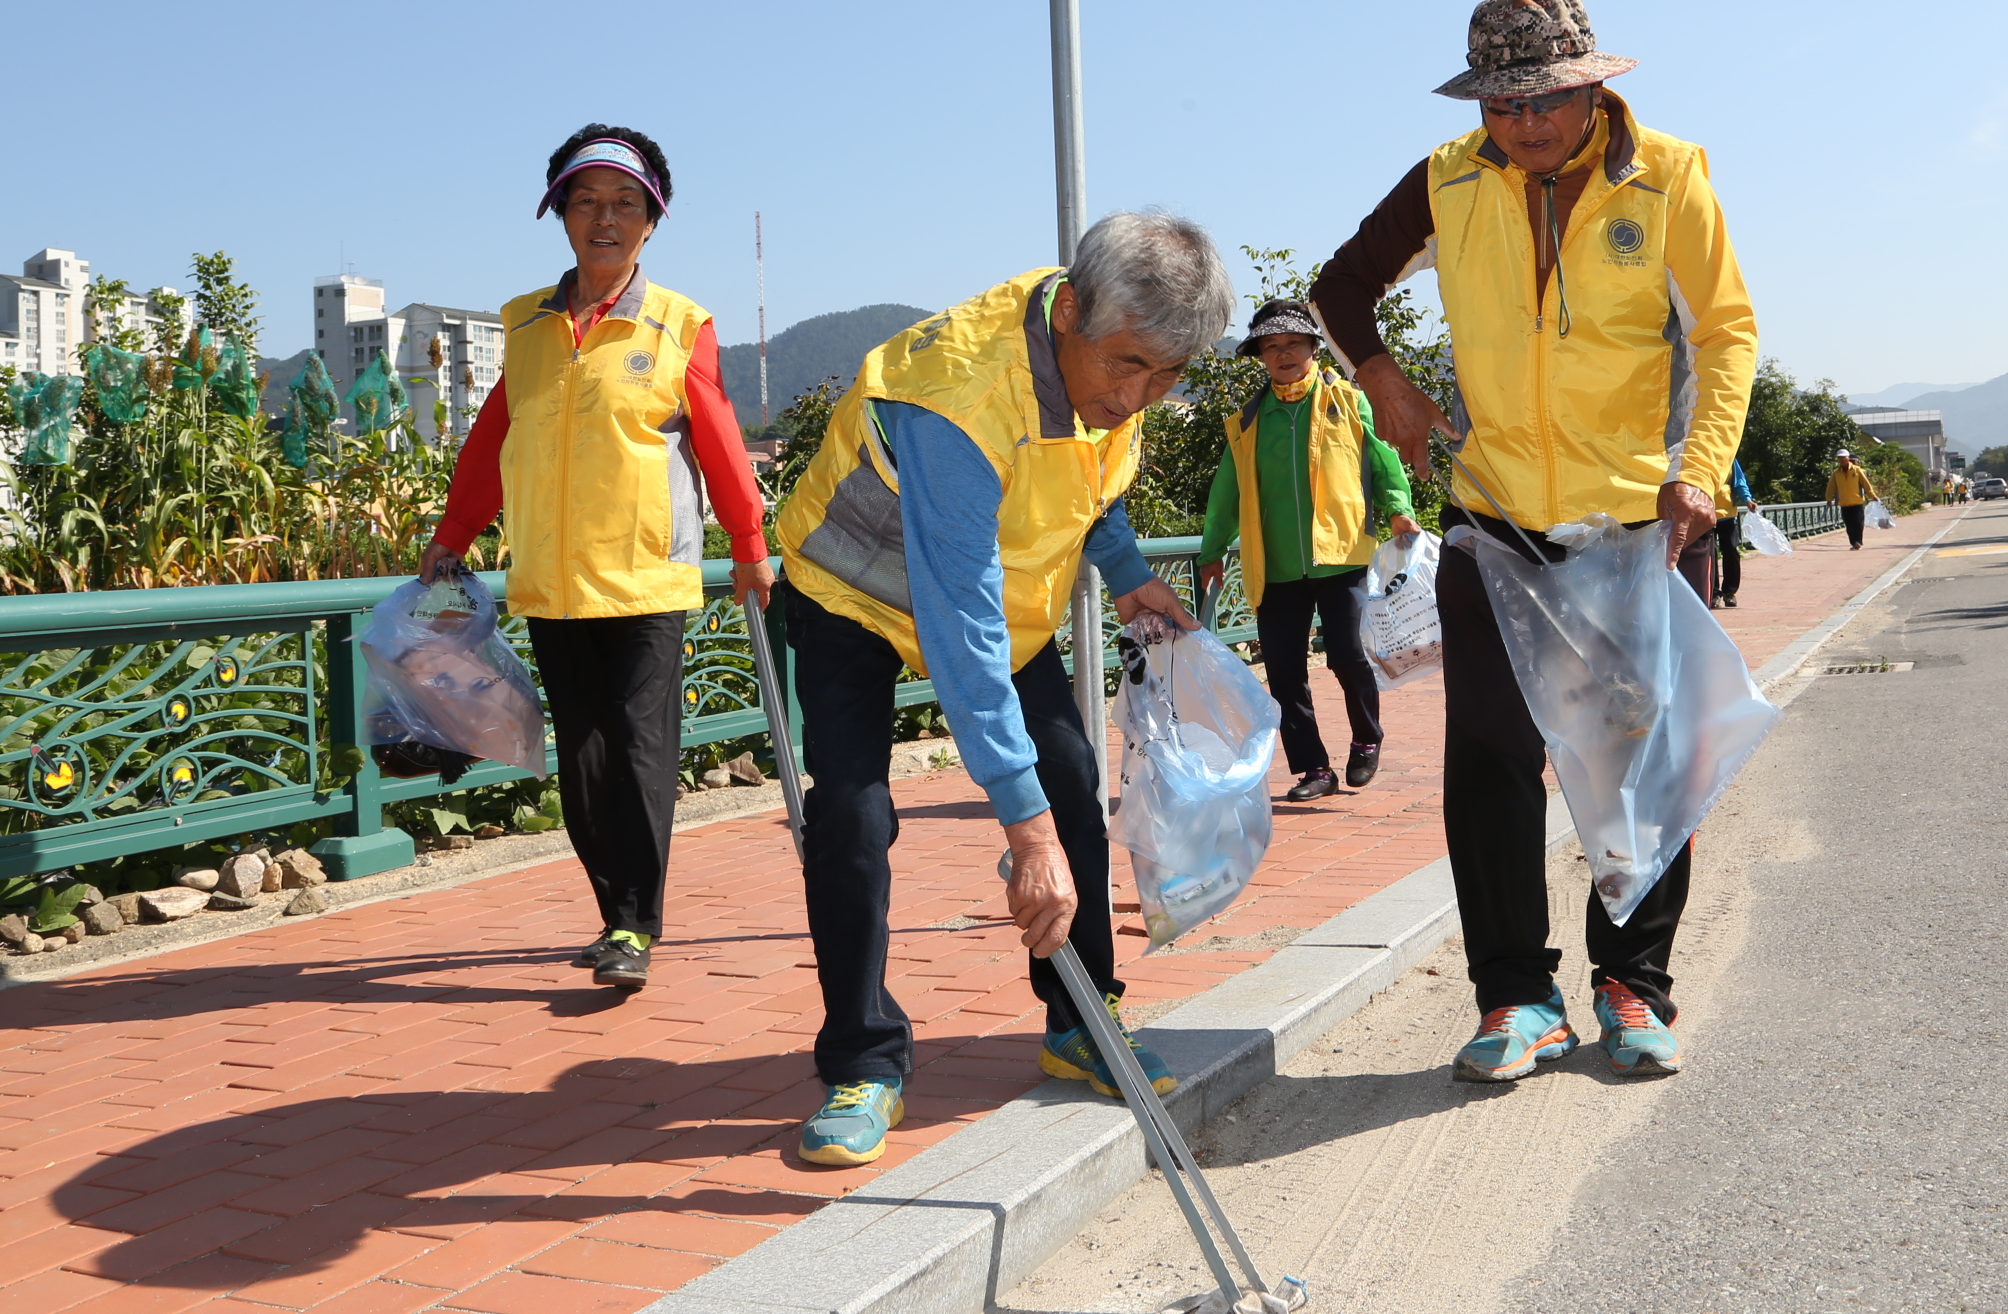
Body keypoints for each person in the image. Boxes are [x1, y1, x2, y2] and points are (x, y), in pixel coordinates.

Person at [1312, 0, 1756, 1082]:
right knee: (1493, 761)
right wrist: (1385, 384)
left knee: (1639, 762)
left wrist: (1698, 473)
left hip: (1640, 522)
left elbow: (1729, 331)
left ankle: (1632, 985)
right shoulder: (1448, 179)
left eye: (1545, 97)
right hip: (1492, 518)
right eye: (1501, 103)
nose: (1523, 123)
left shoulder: (1670, 175)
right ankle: (1516, 997)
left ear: (1593, 82)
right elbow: (1342, 287)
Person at [767, 211, 1236, 1167]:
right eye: (1127, 367)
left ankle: (1080, 1023)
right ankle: (863, 1060)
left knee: (1072, 779)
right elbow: (961, 630)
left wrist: (1132, 568)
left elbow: (1088, 486)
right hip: (855, 592)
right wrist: (1023, 837)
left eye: (1167, 376)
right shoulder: (962, 402)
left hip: (994, 594)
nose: (1138, 394)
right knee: (852, 818)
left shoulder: (1102, 352)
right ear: (1068, 314)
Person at [418, 126, 773, 994]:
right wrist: (453, 536)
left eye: (624, 205)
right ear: (560, 215)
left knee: (640, 749)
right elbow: (492, 440)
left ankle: (634, 924)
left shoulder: (680, 324)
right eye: (586, 202)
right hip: (552, 576)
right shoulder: (526, 327)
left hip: (647, 575)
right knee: (581, 759)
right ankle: (614, 907)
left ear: (651, 220)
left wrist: (751, 547)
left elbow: (724, 444)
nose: (604, 220)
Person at [1195, 299, 1420, 801]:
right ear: (1260, 357)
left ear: (1313, 348)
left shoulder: (1348, 402)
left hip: (1340, 556)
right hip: (1274, 567)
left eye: (1292, 344)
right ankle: (1314, 768)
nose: (1282, 354)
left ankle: (1366, 739)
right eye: (1271, 347)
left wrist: (1398, 507)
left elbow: (1384, 461)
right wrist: (1212, 549)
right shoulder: (1248, 421)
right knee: (1284, 671)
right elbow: (1225, 493)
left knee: (1347, 656)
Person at [1712, 457, 1755, 608]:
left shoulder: (1729, 456)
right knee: (1709, 554)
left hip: (1727, 514)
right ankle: (1713, 593)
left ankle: (1729, 592)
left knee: (1731, 550)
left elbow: (1739, 481)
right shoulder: (1698, 452)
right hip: (1704, 512)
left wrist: (1747, 499)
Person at [1827, 448, 1881, 550]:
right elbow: (1831, 487)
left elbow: (1866, 484)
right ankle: (1853, 542)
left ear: (1848, 458)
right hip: (1845, 503)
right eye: (1840, 458)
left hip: (1857, 502)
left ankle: (1858, 541)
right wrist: (1829, 499)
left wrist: (1872, 496)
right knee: (1849, 525)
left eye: (1844, 458)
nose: (1842, 460)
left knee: (1858, 523)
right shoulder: (1836, 473)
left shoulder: (1857, 471)